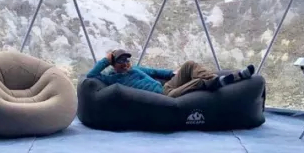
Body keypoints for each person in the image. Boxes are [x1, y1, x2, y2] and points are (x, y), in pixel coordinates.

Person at [86, 50, 255, 98]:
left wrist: (173, 73)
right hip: (165, 96)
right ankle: (226, 80)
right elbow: (90, 76)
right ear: (113, 64)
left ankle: (217, 80)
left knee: (189, 64)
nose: (125, 64)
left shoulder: (135, 68)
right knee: (197, 82)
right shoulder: (111, 78)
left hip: (166, 86)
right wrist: (106, 60)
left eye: (127, 60)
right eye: (121, 61)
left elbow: (154, 71)